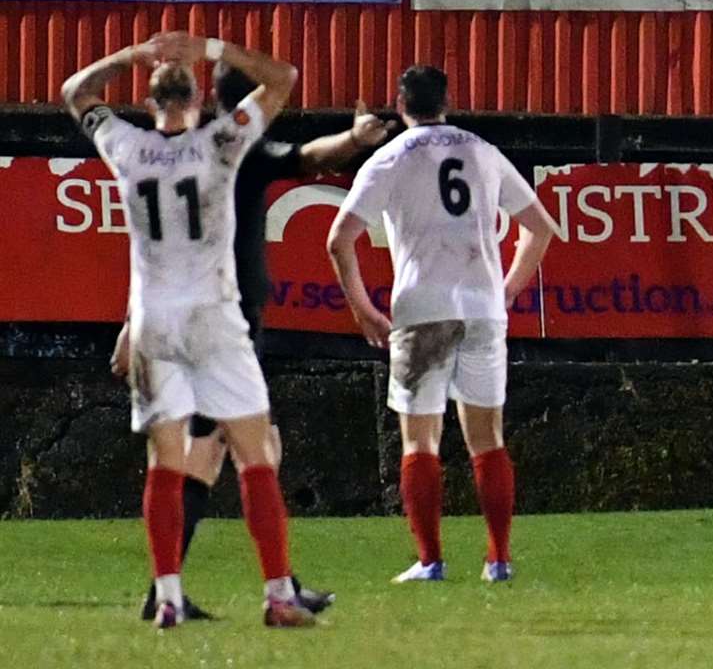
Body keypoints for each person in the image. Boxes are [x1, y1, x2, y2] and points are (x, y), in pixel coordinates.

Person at [114, 61, 391, 622]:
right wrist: (357, 139)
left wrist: (131, 321)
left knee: (235, 449)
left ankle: (229, 585)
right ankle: (202, 590)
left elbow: (152, 251)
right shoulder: (235, 149)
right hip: (223, 317)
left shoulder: (171, 152)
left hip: (176, 314)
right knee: (224, 451)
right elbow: (313, 157)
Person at [64, 31, 316, 628]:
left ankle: (169, 594)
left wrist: (131, 56)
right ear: (199, 98)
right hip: (212, 313)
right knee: (254, 456)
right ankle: (279, 592)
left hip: (153, 319)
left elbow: (75, 91)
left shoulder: (124, 147)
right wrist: (206, 47)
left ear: (149, 103)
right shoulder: (220, 143)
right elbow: (283, 77)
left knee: (165, 459)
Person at [327, 65, 559, 584]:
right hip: (480, 307)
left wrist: (363, 308)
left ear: (401, 105)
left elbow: (340, 239)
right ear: (447, 101)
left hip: (421, 309)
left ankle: (430, 560)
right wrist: (508, 289)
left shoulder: (388, 158)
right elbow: (540, 228)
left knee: (420, 441)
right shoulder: (482, 150)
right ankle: (498, 558)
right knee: (487, 439)